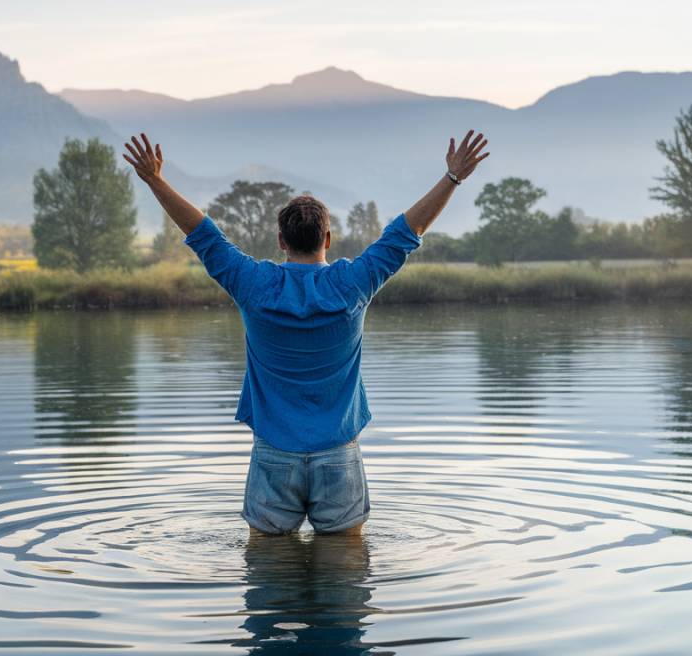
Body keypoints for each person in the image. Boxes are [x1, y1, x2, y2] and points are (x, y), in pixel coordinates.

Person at [122, 131, 490, 535]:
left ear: (281, 241)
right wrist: (452, 178)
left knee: (268, 571)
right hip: (338, 455)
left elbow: (204, 235)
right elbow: (405, 234)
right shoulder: (353, 284)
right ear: (327, 239)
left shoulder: (253, 284)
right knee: (347, 572)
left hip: (274, 455)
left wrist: (156, 180)